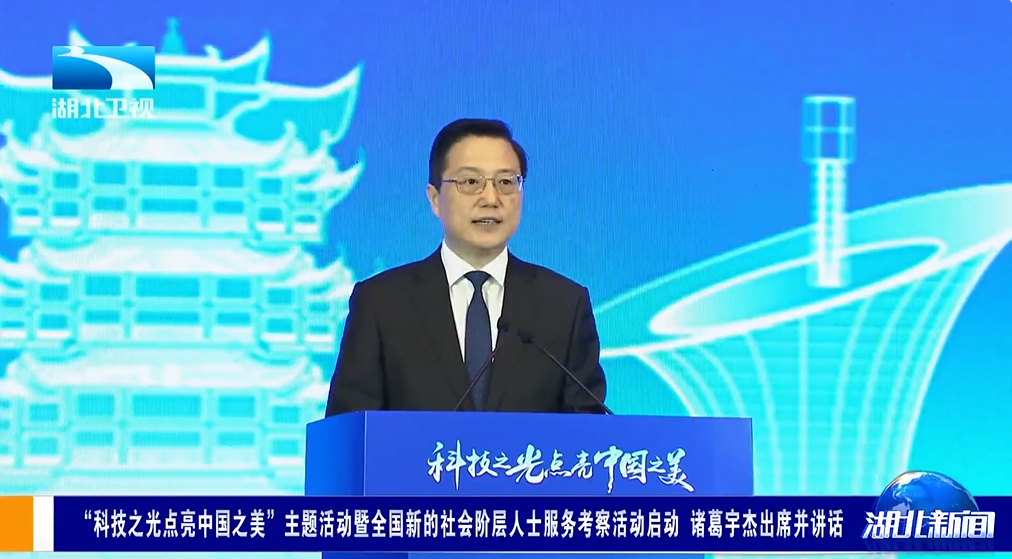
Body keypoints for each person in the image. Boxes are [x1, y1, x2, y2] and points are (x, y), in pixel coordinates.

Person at [325, 118, 608, 415]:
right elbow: (349, 428)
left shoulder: (563, 306)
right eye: (471, 182)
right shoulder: (382, 304)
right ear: (435, 199)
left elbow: (588, 429)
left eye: (506, 182)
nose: (491, 199)